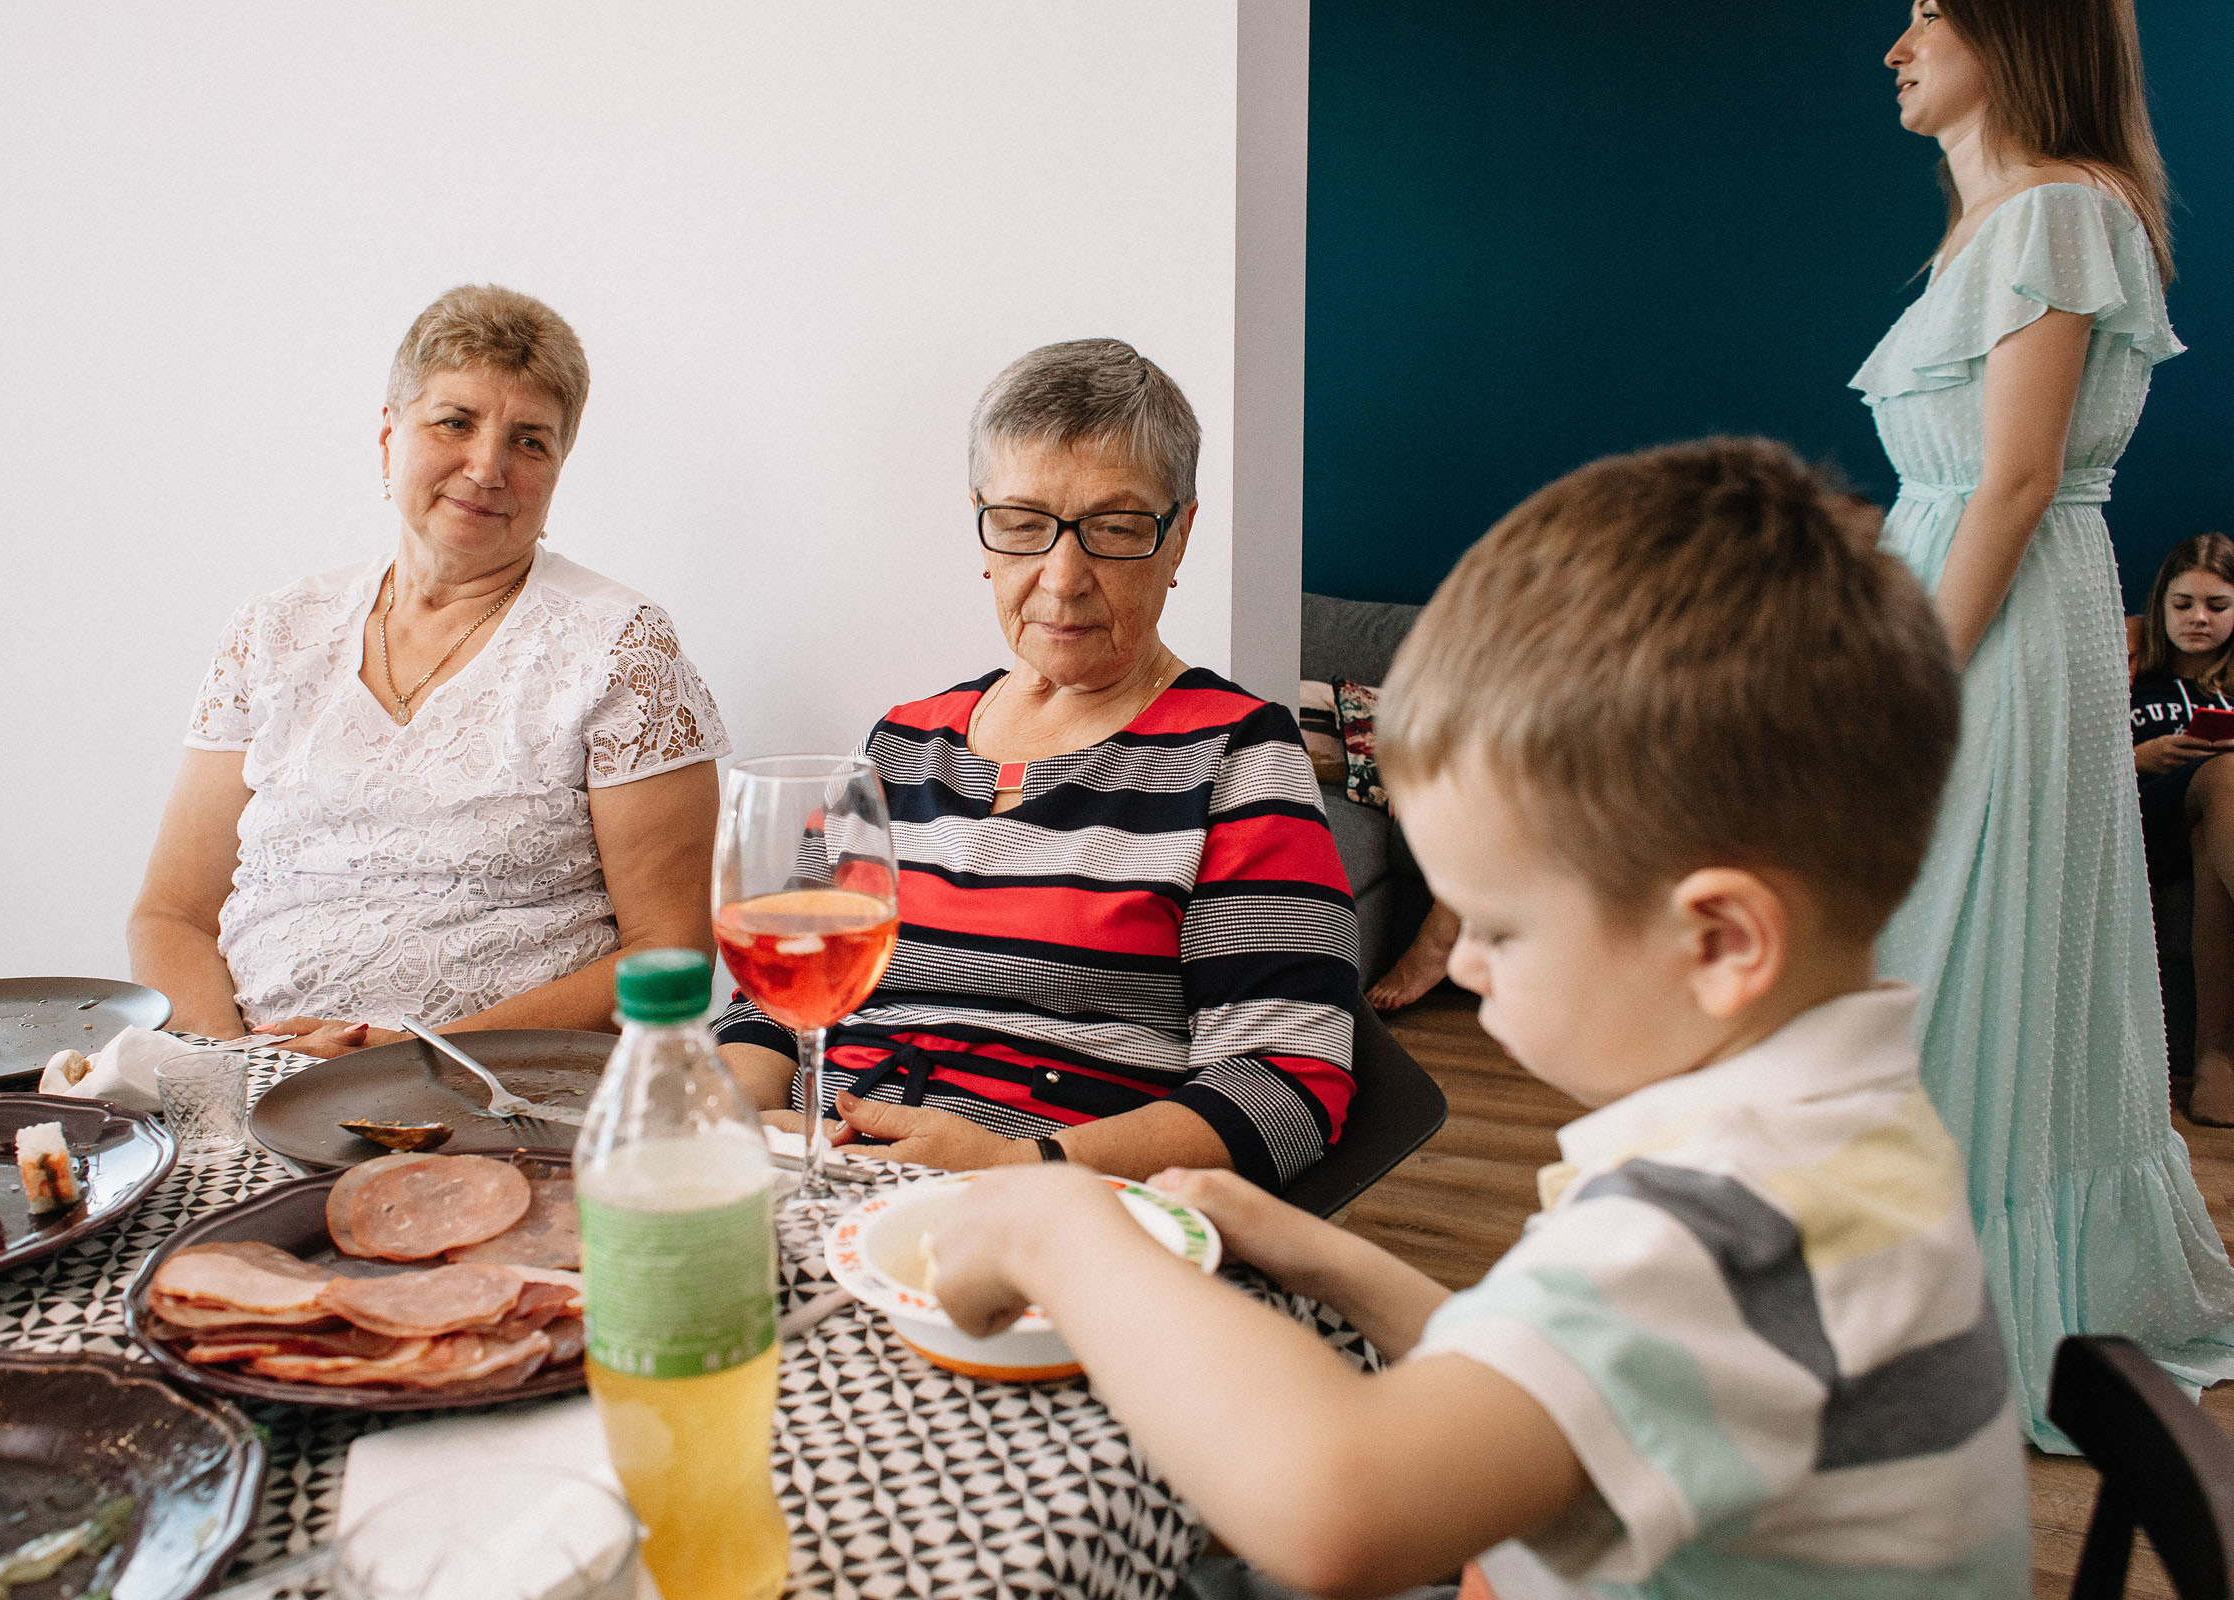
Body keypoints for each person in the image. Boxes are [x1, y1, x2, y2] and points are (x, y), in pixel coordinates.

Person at [924, 439, 2028, 1600]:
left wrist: (1057, 1225)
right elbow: (1548, 1372)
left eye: (1495, 926)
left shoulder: (1731, 1228)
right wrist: (1306, 1245)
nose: (1472, 970)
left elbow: (1337, 1506)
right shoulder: (1827, 1145)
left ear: (1719, 942)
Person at [714, 338, 1359, 1189]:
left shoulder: (1236, 757)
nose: (1061, 579)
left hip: (1055, 1216)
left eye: (1116, 529)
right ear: (981, 525)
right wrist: (723, 1121)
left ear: (1180, 537)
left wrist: (1023, 1164)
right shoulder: (900, 743)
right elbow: (773, 1005)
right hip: (815, 1177)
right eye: (1023, 526)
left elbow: (1288, 1088)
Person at [1855, 0, 2234, 1448]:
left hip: (1993, 634)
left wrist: (1918, 683)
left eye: (1927, 16)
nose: (1896, 46)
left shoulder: (2058, 213)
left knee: (1958, 947)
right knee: (1938, 947)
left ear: (2017, 34)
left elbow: (2013, 483)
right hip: (1967, 604)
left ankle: (1952, 1307)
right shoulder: (2000, 220)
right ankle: (1907, 1286)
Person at [128, 285, 728, 1055]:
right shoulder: (273, 629)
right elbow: (171, 914)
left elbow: (670, 956)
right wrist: (231, 1068)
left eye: (530, 441)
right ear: (388, 436)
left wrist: (411, 1054)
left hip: (504, 1087)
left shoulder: (620, 646)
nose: (487, 468)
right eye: (455, 423)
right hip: (253, 1071)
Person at [2131, 534, 2234, 1122]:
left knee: (2220, 799)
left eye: (2217, 606)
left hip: (2206, 829)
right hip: (2139, 822)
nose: (2199, 619)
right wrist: (2139, 757)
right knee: (2225, 778)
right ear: (2160, 604)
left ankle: (2216, 1067)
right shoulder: (2124, 672)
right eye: (2183, 604)